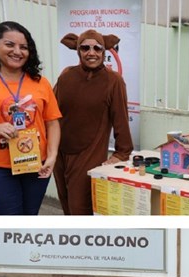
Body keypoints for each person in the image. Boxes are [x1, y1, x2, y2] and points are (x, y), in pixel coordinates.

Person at [0, 21, 61, 215]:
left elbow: (52, 122)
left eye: (23, 47)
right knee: (11, 221)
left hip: (35, 163)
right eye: (9, 44)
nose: (17, 51)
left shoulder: (41, 83)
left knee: (30, 218)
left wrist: (52, 156)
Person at [53, 29, 133, 215]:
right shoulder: (66, 75)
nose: (91, 53)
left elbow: (121, 118)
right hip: (59, 152)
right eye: (85, 48)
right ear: (78, 51)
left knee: (80, 207)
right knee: (66, 203)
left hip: (89, 153)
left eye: (97, 48)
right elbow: (52, 111)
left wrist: (122, 153)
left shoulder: (114, 80)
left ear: (104, 51)